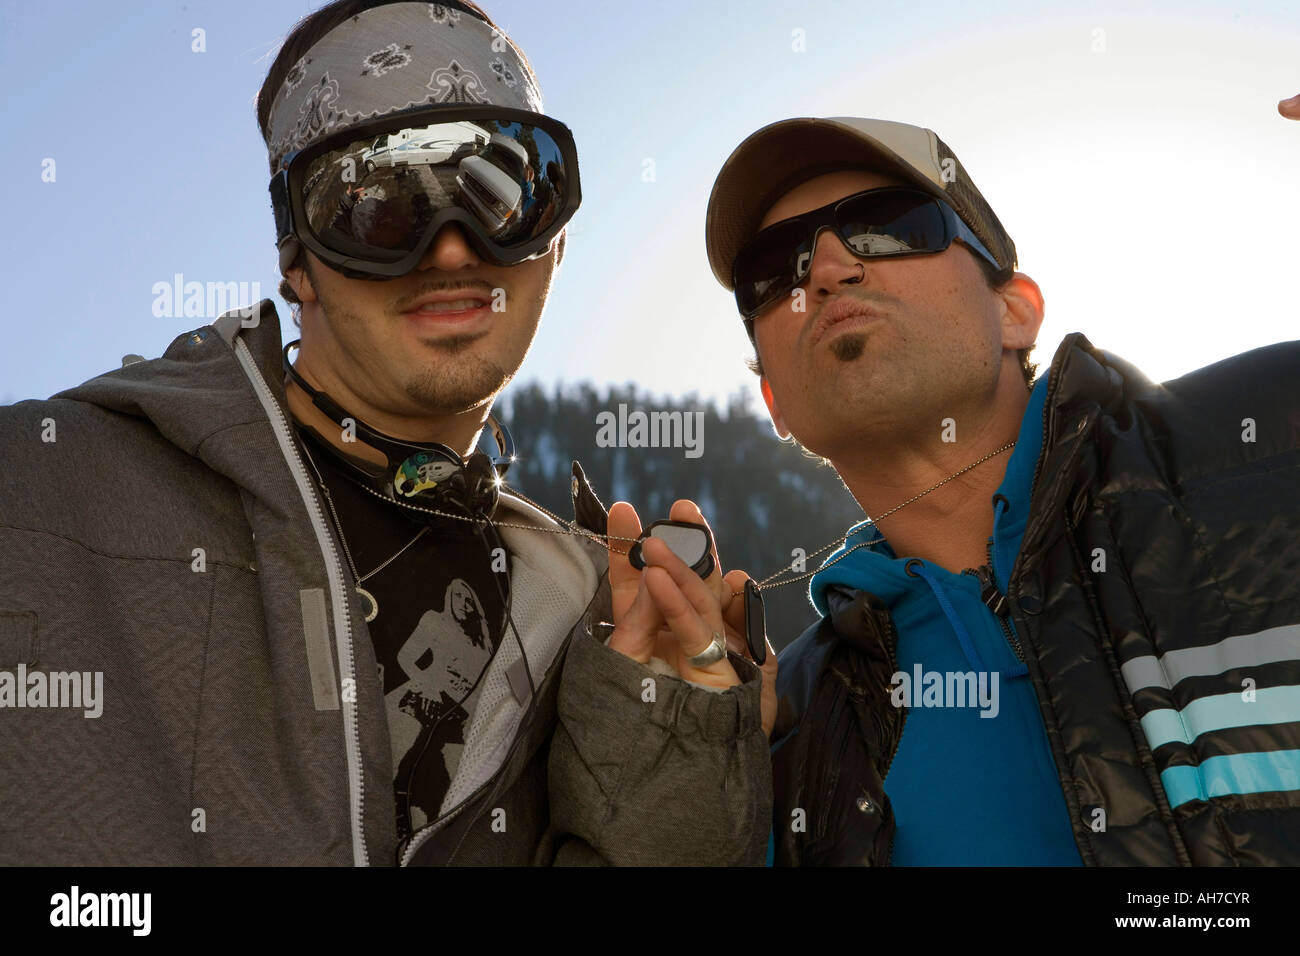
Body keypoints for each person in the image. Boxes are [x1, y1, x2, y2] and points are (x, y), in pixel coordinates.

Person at [0, 0, 773, 866]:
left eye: (498, 188)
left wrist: (680, 757)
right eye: (374, 205)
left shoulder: (586, 616)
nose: (450, 250)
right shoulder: (36, 488)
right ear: (297, 259)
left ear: (556, 238)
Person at [702, 108, 1300, 865]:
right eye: (776, 267)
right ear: (776, 406)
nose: (827, 272)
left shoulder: (1274, 440)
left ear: (1016, 310)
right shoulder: (779, 729)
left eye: (889, 227)